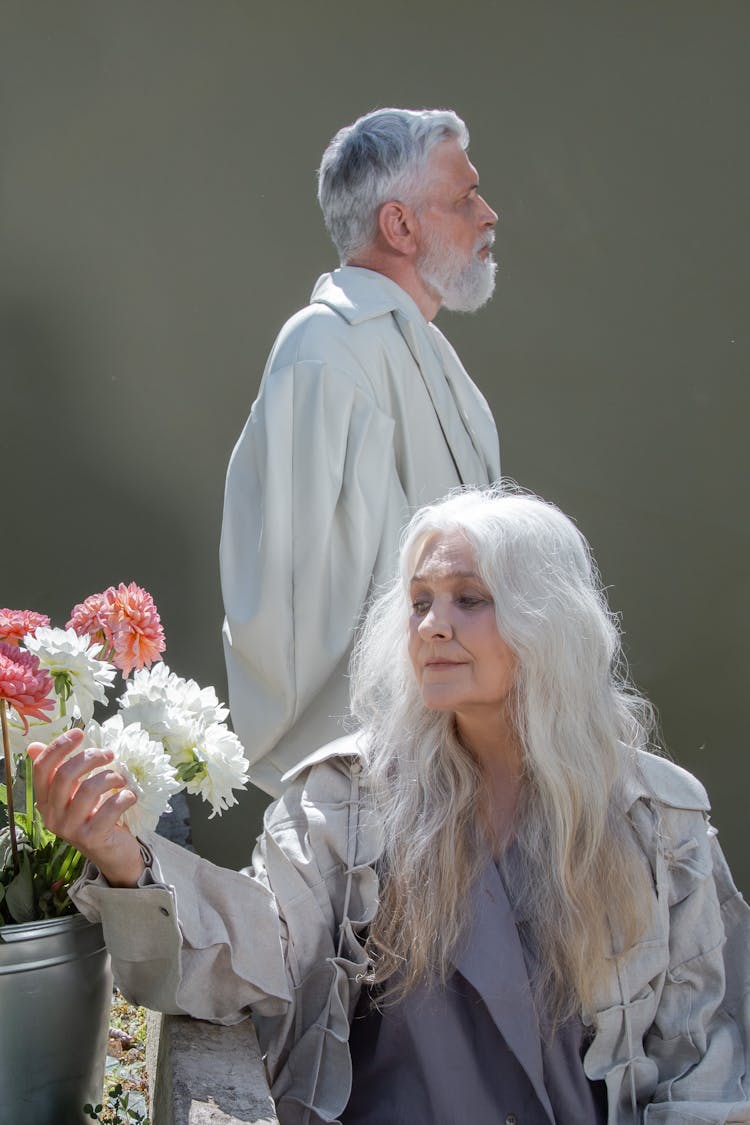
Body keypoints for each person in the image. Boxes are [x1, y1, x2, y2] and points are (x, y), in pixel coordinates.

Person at [32, 486, 750, 1124]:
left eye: (469, 598)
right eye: (419, 601)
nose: (434, 624)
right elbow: (269, 943)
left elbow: (702, 1047)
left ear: (547, 618)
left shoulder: (656, 819)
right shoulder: (348, 795)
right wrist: (128, 861)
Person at [220, 107, 501, 795]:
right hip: (382, 789)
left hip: (451, 768)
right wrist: (364, 782)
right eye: (464, 198)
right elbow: (302, 600)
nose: (487, 214)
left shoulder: (419, 346)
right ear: (399, 225)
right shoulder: (325, 349)